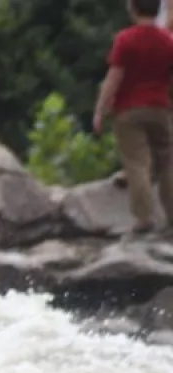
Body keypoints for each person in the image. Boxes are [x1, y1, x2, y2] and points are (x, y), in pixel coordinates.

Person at [94, 0, 173, 237]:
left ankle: (144, 218)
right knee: (168, 163)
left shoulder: (125, 39)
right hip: (160, 107)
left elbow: (114, 78)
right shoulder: (168, 41)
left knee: (138, 164)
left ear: (133, 9)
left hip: (129, 109)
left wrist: (101, 110)